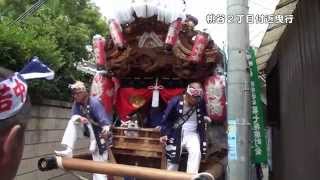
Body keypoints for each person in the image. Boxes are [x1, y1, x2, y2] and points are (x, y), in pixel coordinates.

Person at [55, 81, 112, 180]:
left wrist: (106, 131)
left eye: (77, 93)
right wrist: (80, 119)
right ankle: (69, 149)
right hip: (88, 131)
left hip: (100, 136)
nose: (75, 96)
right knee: (74, 119)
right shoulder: (77, 104)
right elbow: (74, 118)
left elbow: (105, 123)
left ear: (84, 93)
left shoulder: (94, 102)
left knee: (99, 168)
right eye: (73, 94)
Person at [159, 82, 209, 174]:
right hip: (176, 133)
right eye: (193, 98)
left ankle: (191, 177)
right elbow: (166, 118)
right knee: (173, 158)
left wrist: (205, 117)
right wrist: (164, 133)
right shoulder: (176, 101)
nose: (195, 100)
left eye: (197, 98)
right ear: (187, 94)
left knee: (196, 153)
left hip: (193, 133)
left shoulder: (200, 102)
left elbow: (204, 112)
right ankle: (170, 177)